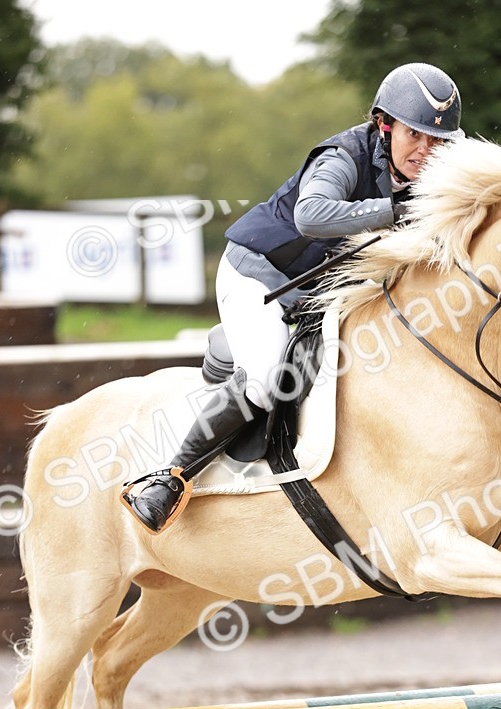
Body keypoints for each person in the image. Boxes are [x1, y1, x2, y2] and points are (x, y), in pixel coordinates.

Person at [123, 62, 464, 533]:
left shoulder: (438, 175)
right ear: (384, 125)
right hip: (259, 277)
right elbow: (311, 215)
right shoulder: (343, 156)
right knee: (264, 381)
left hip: (319, 291)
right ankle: (169, 478)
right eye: (414, 135)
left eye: (437, 141)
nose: (426, 151)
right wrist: (394, 210)